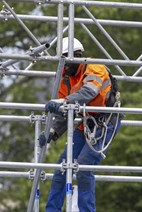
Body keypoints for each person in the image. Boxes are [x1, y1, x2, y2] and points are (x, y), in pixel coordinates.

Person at [38, 37, 122, 212]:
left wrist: (64, 101)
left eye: (66, 63)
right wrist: (52, 131)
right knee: (62, 166)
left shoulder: (95, 68)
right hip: (86, 124)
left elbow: (88, 92)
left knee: (83, 165)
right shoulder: (66, 77)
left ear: (76, 56)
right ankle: (52, 210)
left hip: (105, 123)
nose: (64, 68)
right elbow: (63, 108)